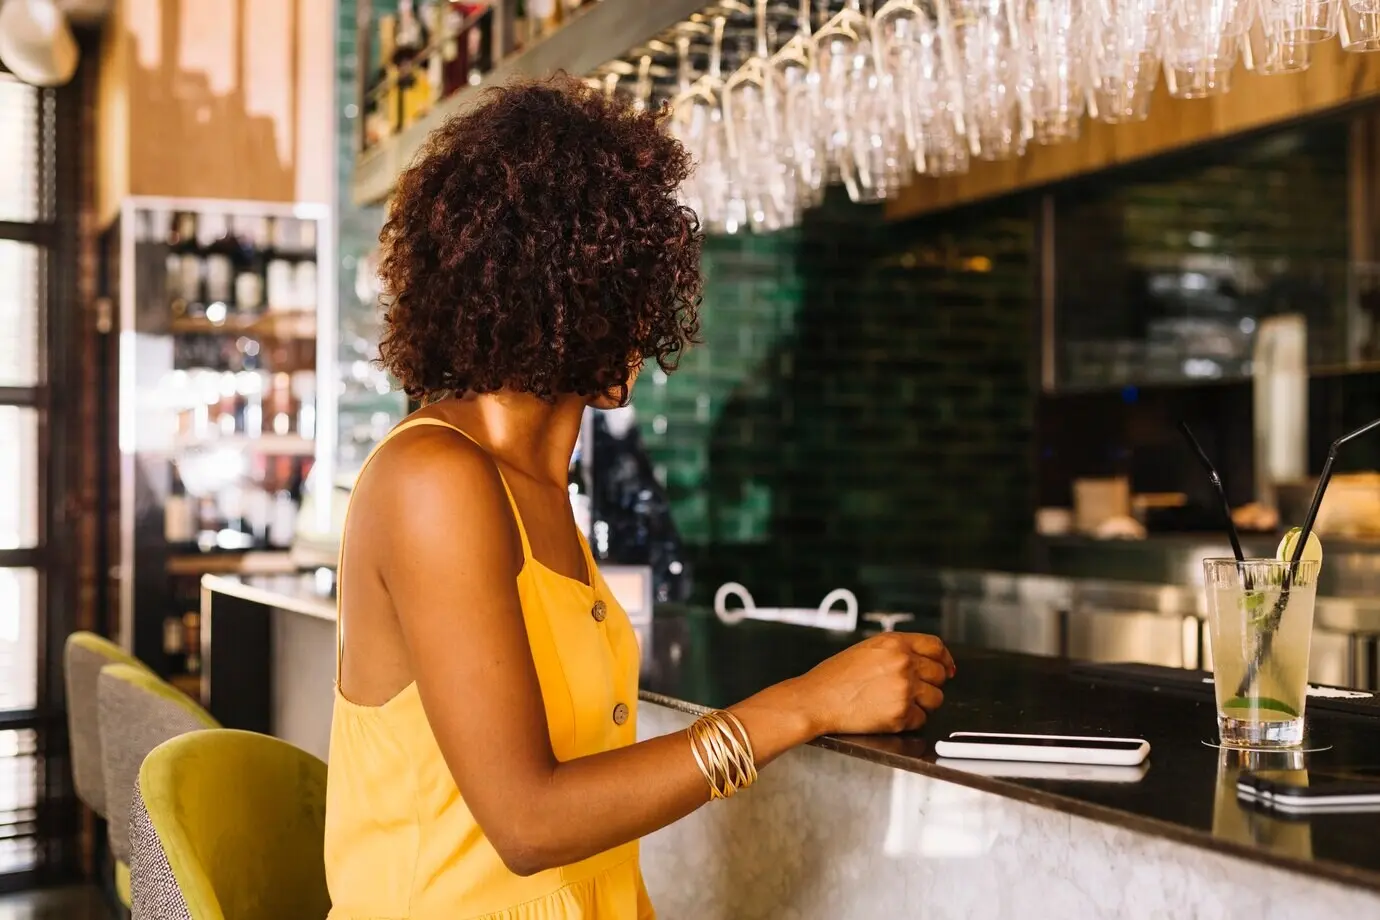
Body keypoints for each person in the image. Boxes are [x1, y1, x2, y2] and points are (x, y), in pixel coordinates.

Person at [325, 75, 955, 920]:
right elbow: (528, 823)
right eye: (621, 287)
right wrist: (806, 703)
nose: (645, 326)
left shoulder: (539, 487)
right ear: (553, 294)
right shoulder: (434, 480)